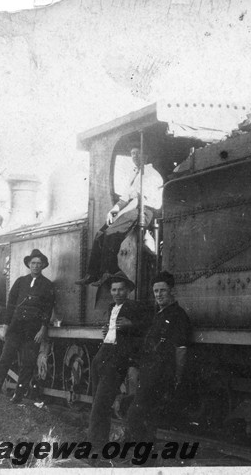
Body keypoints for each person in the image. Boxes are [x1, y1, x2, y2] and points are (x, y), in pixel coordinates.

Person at [76, 147, 163, 286]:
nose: (134, 156)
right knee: (100, 234)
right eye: (132, 154)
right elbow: (125, 198)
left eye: (138, 153)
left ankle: (109, 272)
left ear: (145, 155)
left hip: (145, 210)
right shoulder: (135, 174)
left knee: (112, 232)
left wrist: (120, 214)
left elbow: (138, 201)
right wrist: (113, 210)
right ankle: (92, 274)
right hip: (133, 207)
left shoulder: (151, 174)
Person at [0, 249, 55, 404]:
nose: (36, 266)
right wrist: (5, 326)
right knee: (4, 360)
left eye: (39, 264)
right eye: (33, 263)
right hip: (16, 328)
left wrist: (42, 329)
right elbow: (10, 305)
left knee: (27, 364)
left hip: (33, 331)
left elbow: (48, 308)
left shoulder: (47, 285)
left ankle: (18, 395)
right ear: (29, 265)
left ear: (43, 266)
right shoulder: (20, 282)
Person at [124, 271, 191, 443]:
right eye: (156, 291)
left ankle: (142, 455)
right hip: (150, 372)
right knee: (147, 417)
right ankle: (145, 457)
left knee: (135, 414)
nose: (159, 295)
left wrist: (177, 376)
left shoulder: (178, 315)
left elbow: (181, 349)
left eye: (162, 290)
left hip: (161, 374)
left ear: (172, 291)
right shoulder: (160, 315)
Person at [87, 271, 151, 449]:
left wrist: (132, 325)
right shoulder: (110, 307)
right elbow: (112, 330)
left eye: (121, 290)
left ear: (128, 290)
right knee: (97, 402)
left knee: (101, 404)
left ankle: (95, 446)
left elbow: (151, 325)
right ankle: (99, 442)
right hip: (102, 355)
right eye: (114, 290)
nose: (117, 293)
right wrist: (107, 332)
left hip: (116, 359)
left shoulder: (135, 307)